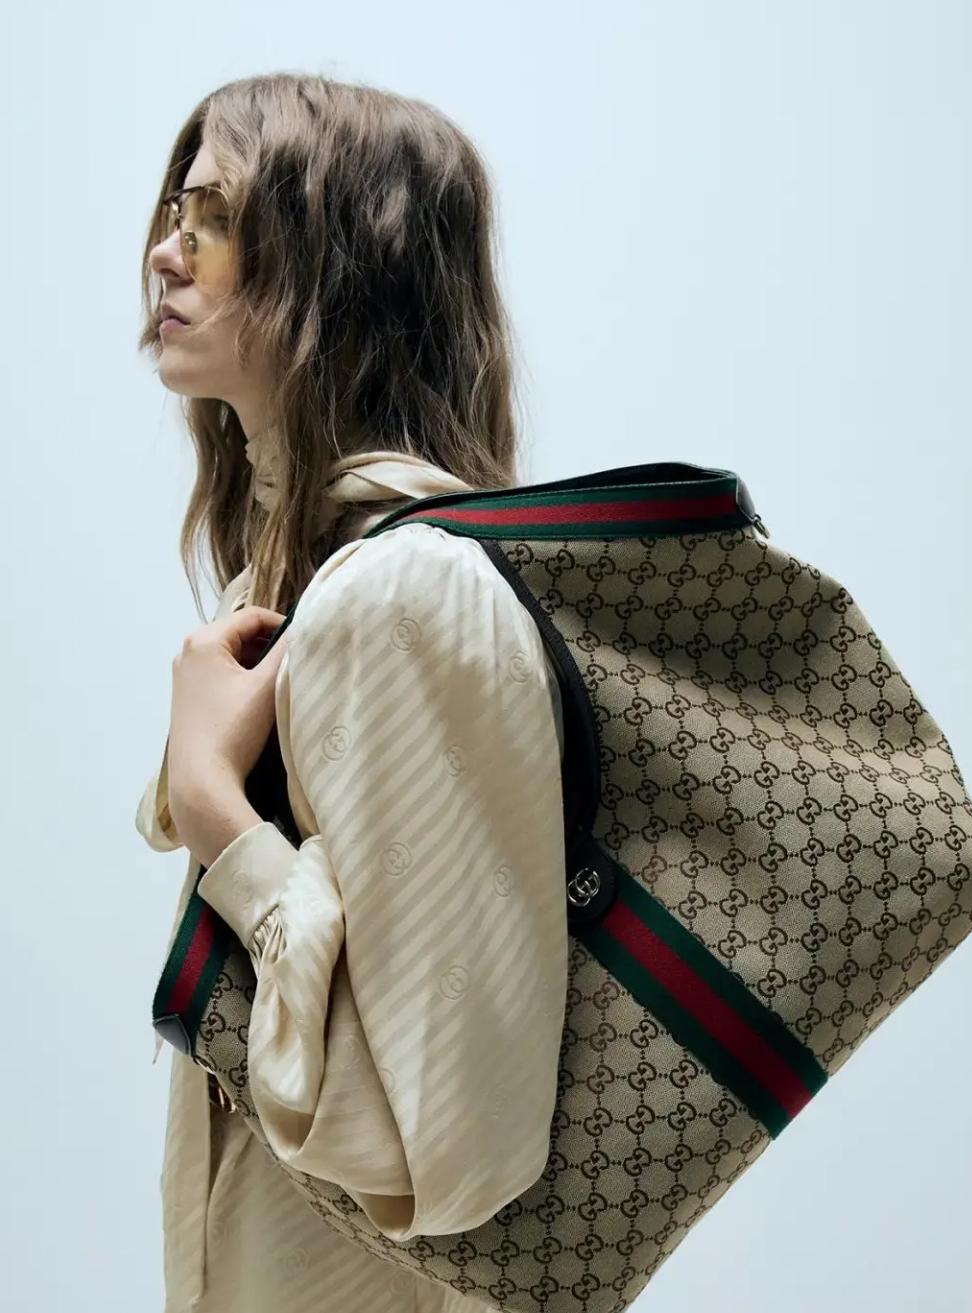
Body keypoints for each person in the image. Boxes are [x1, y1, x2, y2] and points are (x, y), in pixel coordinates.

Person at [134, 72, 568, 1313]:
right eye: (174, 211)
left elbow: (453, 1151)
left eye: (216, 218)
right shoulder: (309, 583)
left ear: (334, 268)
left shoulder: (403, 594)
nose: (165, 251)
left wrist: (217, 812)